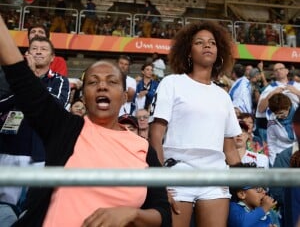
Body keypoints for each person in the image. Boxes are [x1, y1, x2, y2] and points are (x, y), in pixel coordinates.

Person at [0, 15, 171, 227]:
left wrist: (131, 214)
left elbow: (164, 214)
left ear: (124, 97)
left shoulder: (143, 148)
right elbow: (18, 72)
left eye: (111, 81)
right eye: (93, 82)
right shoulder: (65, 128)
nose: (102, 86)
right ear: (83, 95)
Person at [149, 21, 242, 227]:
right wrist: (160, 181)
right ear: (188, 52)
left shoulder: (223, 96)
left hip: (215, 176)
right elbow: (155, 135)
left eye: (212, 43)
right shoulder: (171, 83)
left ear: (219, 51)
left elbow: (230, 149)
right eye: (199, 42)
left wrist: (248, 184)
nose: (207, 45)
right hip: (177, 174)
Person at [0, 36, 70, 221]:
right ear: (27, 53)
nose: (38, 51)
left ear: (52, 57)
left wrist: (28, 82)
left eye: (44, 49)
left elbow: (54, 106)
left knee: (33, 210)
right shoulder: (9, 78)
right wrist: (23, 81)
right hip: (9, 151)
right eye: (34, 48)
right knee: (5, 209)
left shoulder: (60, 81)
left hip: (41, 154)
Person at [256, 62, 300, 142]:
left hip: (296, 125)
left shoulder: (297, 85)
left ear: (287, 71)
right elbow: (260, 109)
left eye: (281, 69)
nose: (278, 71)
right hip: (277, 128)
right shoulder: (269, 88)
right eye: (276, 70)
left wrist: (297, 92)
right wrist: (272, 94)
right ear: (274, 74)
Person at [267, 93, 297, 166]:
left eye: (281, 113)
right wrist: (273, 162)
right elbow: (271, 143)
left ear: (288, 107)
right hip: (282, 154)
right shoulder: (272, 121)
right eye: (276, 113)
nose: (279, 116)